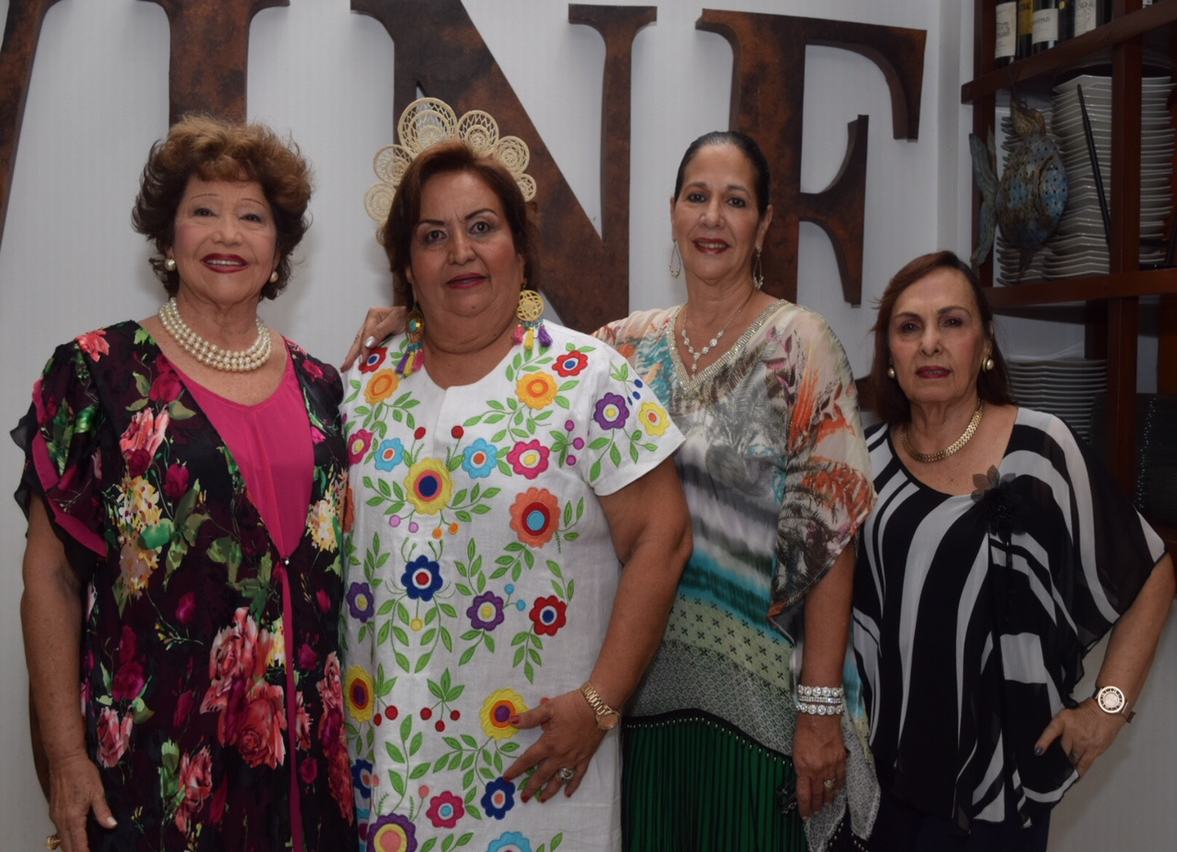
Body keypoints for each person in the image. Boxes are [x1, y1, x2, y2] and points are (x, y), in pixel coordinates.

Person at [345, 129, 878, 852]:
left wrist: (817, 703)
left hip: (754, 693)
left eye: (734, 201)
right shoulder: (627, 342)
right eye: (697, 197)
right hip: (650, 705)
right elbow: (497, 344)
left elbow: (829, 528)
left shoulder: (797, 343)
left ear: (764, 223)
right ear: (671, 212)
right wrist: (412, 319)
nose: (712, 217)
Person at [340, 99, 692, 852]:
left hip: (540, 766)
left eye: (481, 227)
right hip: (383, 766)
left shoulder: (586, 376)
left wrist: (600, 705)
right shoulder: (363, 384)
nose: (459, 251)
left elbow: (662, 539)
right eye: (432, 236)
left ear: (519, 252)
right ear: (407, 265)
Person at [14, 116, 358, 852]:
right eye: (203, 211)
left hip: (305, 773)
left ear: (278, 250)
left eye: (252, 216)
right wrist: (66, 758)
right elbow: (49, 577)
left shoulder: (322, 384)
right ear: (168, 241)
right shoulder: (97, 372)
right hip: (155, 768)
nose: (226, 235)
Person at [852, 250, 1175, 851]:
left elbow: (1151, 572)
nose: (930, 343)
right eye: (909, 326)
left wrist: (1107, 709)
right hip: (875, 783)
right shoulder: (861, 465)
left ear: (986, 343)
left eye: (952, 322)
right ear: (889, 357)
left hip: (1000, 791)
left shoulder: (1041, 451)